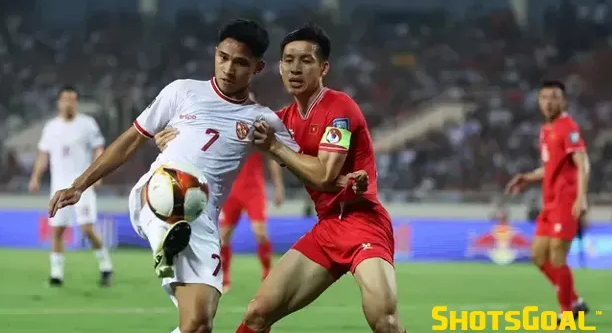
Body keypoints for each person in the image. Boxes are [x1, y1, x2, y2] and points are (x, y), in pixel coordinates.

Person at [47, 19, 307, 333]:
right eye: (223, 57)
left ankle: (172, 242)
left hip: (203, 220)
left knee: (198, 324)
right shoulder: (182, 91)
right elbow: (131, 139)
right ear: (215, 53)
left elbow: (308, 166)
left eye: (240, 63)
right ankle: (168, 237)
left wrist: (277, 147)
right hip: (160, 188)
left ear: (258, 67)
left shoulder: (261, 120)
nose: (228, 68)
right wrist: (79, 185)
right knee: (180, 187)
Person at [153, 24, 404, 333]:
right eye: (288, 60)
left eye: (305, 60)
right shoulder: (282, 120)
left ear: (323, 67)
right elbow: (219, 139)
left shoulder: (339, 108)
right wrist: (174, 140)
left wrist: (273, 145)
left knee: (384, 321)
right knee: (257, 314)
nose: (295, 68)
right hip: (327, 228)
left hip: (364, 223)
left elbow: (324, 174)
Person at [155, 129, 285, 293]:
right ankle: (225, 277)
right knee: (223, 236)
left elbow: (271, 155)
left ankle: (267, 273)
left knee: (261, 233)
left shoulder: (255, 127)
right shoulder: (224, 128)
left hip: (254, 190)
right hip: (231, 190)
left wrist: (278, 186)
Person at [506, 80, 590, 323]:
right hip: (549, 203)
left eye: (554, 97)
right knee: (537, 256)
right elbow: (551, 166)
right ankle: (574, 301)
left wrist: (581, 197)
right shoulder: (546, 130)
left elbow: (582, 162)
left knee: (556, 256)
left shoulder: (568, 127)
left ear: (563, 100)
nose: (548, 102)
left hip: (566, 202)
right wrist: (528, 177)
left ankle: (567, 313)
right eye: (544, 97)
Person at [29, 86, 113, 287]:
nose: (68, 103)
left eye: (72, 99)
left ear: (77, 102)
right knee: (57, 230)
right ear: (59, 102)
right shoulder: (51, 127)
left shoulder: (87, 124)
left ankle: (105, 266)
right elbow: (43, 155)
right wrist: (35, 177)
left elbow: (98, 148)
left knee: (86, 228)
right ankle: (56, 274)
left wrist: (97, 174)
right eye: (65, 99)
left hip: (82, 185)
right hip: (58, 185)